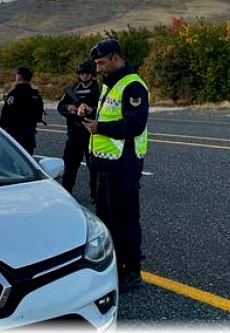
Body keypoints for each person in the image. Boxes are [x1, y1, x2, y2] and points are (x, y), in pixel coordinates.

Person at [84, 38, 149, 290]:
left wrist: (99, 127)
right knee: (107, 221)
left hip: (124, 165)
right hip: (104, 166)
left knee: (125, 221)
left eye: (101, 63)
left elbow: (134, 125)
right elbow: (107, 115)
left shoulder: (132, 85)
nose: (98, 68)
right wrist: (88, 114)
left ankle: (132, 272)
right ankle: (116, 266)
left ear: (114, 58)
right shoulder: (109, 84)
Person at [56, 59, 100, 195]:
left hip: (93, 132)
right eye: (82, 73)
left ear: (92, 74)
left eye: (87, 73)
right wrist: (69, 107)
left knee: (95, 166)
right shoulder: (72, 89)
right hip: (75, 131)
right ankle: (66, 192)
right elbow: (60, 106)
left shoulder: (99, 90)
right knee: (70, 165)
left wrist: (91, 110)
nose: (84, 76)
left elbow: (106, 109)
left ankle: (96, 193)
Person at [0, 66, 45, 155]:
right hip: (29, 133)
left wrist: (1, 128)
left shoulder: (15, 93)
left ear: (19, 77)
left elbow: (6, 113)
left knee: (7, 159)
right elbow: (39, 114)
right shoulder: (35, 95)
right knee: (27, 160)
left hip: (14, 133)